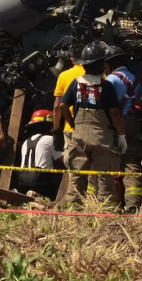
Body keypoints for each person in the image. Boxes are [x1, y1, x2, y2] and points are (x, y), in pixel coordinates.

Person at [55, 43, 126, 204]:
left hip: (79, 135)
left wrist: (72, 123)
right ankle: (106, 210)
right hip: (102, 137)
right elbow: (114, 113)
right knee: (104, 177)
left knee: (77, 176)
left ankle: (73, 209)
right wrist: (121, 135)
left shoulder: (75, 83)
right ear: (102, 64)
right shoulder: (106, 85)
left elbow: (62, 106)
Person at [104, 45, 142, 209]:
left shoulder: (111, 80)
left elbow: (108, 105)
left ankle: (110, 203)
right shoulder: (134, 78)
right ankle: (134, 204)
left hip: (117, 123)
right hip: (132, 122)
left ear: (111, 64)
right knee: (132, 162)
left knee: (108, 160)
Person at [52, 44, 85, 191]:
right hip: (91, 126)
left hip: (70, 127)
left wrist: (56, 129)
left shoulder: (63, 76)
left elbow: (57, 106)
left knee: (72, 163)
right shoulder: (97, 73)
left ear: (71, 58)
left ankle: (75, 198)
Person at [17, 109, 61, 199]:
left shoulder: (26, 142)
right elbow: (63, 160)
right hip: (40, 182)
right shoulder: (49, 139)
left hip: (22, 180)